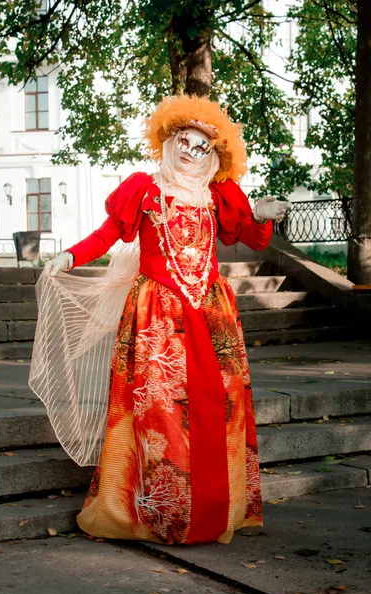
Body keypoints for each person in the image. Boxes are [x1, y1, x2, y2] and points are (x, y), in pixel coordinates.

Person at [29, 94, 290, 545]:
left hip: (211, 316)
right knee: (159, 413)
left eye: (201, 145)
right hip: (157, 317)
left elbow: (250, 236)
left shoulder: (220, 194)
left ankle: (213, 510)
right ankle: (162, 513)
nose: (191, 150)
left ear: (215, 152)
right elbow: (109, 234)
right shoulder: (144, 189)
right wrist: (70, 255)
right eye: (183, 141)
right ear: (169, 141)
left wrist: (262, 214)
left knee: (218, 408)